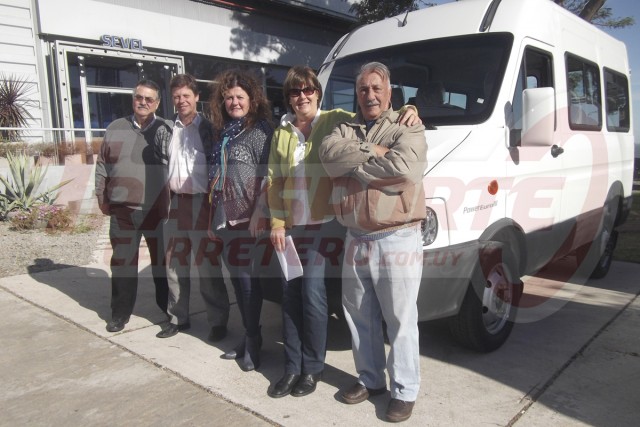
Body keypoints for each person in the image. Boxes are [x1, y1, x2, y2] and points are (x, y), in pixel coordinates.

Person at [266, 66, 422, 398]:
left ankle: (398, 390)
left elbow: (403, 170)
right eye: (295, 92)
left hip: (360, 231)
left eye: (308, 90)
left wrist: (410, 109)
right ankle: (347, 375)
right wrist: (376, 153)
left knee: (389, 317)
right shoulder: (308, 130)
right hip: (321, 232)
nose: (302, 96)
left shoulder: (354, 121)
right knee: (348, 313)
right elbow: (322, 161)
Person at [319, 62, 427, 423]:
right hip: (356, 237)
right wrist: (375, 152)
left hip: (397, 237)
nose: (370, 95)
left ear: (389, 92)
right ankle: (370, 380)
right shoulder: (342, 128)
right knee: (358, 318)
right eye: (363, 89)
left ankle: (405, 390)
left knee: (399, 319)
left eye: (376, 88)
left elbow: (406, 169)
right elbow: (328, 157)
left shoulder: (406, 125)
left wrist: (356, 163)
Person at [208, 69, 273, 371]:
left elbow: (267, 178)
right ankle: (249, 336)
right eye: (229, 97)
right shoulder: (224, 133)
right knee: (237, 282)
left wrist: (260, 212)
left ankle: (253, 341)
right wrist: (212, 218)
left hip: (250, 219)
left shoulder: (260, 132)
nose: (234, 102)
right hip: (226, 218)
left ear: (252, 99)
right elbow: (216, 180)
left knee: (249, 284)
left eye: (240, 97)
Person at [156, 74, 230, 340]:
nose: (181, 100)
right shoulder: (167, 130)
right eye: (176, 96)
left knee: (208, 267)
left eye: (186, 95)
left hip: (202, 204)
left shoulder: (209, 129)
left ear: (196, 97)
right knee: (175, 266)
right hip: (175, 203)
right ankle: (178, 318)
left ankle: (218, 321)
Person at [95, 79, 170, 333]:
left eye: (149, 99)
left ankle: (168, 312)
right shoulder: (115, 127)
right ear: (133, 99)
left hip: (157, 211)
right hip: (123, 211)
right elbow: (102, 164)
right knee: (123, 264)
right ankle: (120, 314)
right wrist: (101, 196)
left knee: (162, 264)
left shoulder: (166, 129)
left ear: (157, 103)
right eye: (140, 97)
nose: (143, 103)